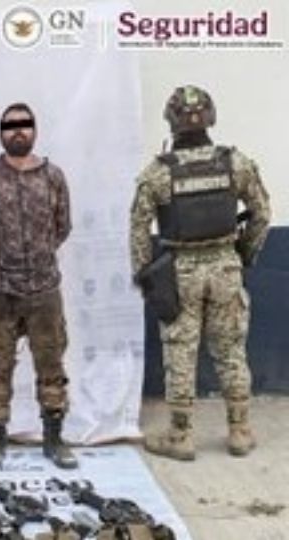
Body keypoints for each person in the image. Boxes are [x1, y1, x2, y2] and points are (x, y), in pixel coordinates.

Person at [130, 85, 270, 460]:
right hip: (225, 266)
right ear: (210, 117)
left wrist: (145, 276)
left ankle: (181, 437)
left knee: (180, 351)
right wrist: (244, 254)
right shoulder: (235, 162)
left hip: (180, 272)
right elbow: (261, 214)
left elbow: (139, 228)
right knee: (230, 349)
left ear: (170, 121)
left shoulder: (158, 173)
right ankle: (240, 431)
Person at [0, 103, 77, 470]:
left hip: (44, 290)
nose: (18, 131)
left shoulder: (53, 177)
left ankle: (54, 438)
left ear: (35, 131)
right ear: (0, 133)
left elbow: (62, 226)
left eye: (24, 125)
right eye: (10, 126)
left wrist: (38, 259)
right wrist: (1, 259)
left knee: (51, 364)